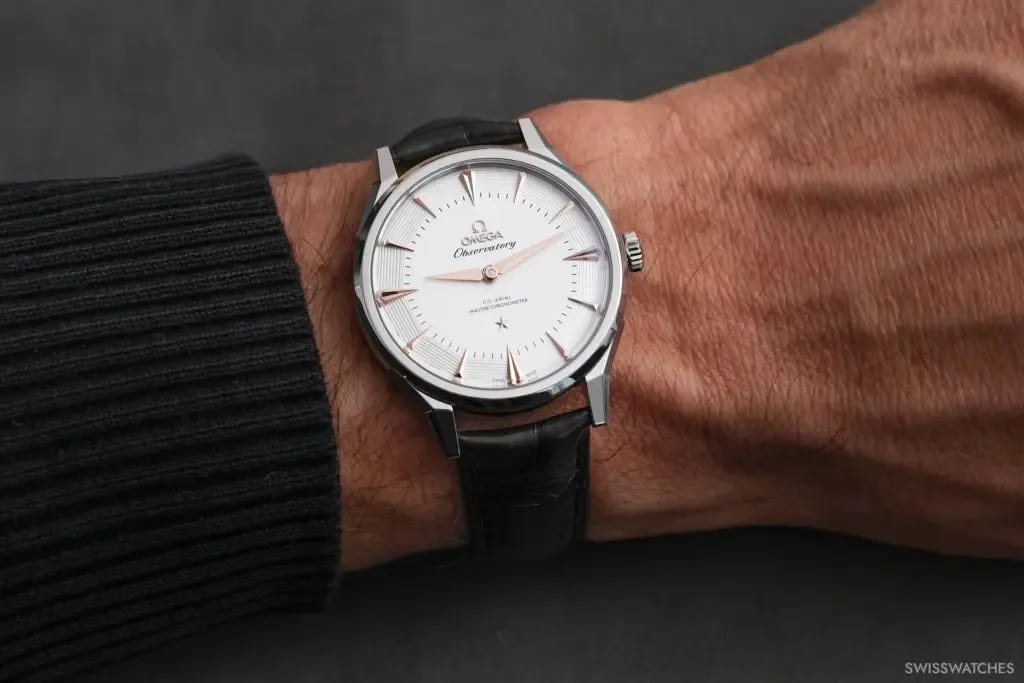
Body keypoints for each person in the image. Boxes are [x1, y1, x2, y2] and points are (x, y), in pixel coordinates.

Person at [3, 0, 1023, 679]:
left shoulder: (585, 264)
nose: (491, 274)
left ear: (620, 251)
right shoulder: (433, 359)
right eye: (481, 271)